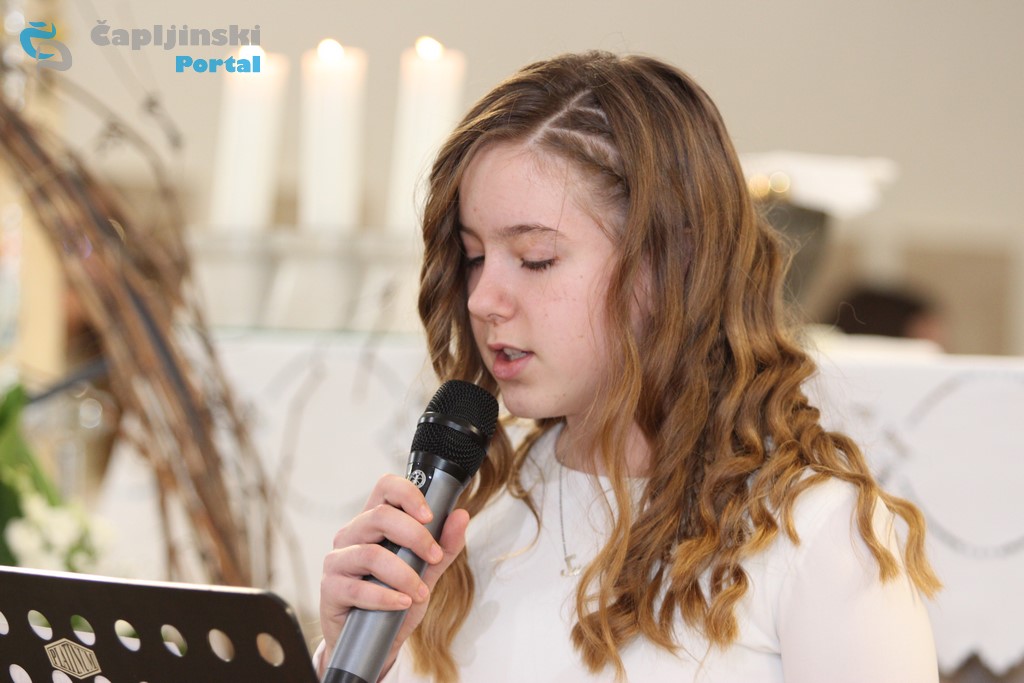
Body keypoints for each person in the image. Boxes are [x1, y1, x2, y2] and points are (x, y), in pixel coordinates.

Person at [317, 51, 941, 682]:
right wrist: (363, 659)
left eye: (535, 259)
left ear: (669, 264)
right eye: (475, 257)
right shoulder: (475, 512)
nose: (482, 299)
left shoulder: (815, 534)